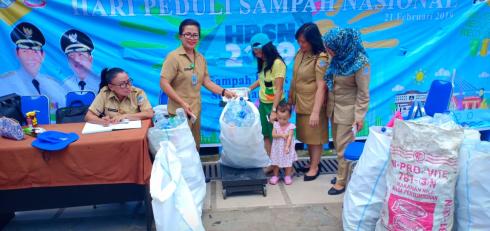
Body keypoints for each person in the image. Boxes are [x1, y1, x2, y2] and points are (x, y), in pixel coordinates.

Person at [160, 19, 236, 150]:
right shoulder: (173, 57)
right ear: (180, 36)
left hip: (195, 111)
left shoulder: (200, 58)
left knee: (195, 146)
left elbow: (206, 81)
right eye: (187, 34)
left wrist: (224, 92)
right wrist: (182, 103)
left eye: (195, 35)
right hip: (179, 113)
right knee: (180, 149)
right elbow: (163, 82)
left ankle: (194, 171)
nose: (191, 38)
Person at [323, 27, 370, 195]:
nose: (328, 51)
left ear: (341, 45)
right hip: (334, 108)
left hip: (348, 111)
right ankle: (341, 173)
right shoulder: (338, 59)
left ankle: (342, 182)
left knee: (343, 147)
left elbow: (363, 93)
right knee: (337, 144)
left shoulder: (361, 63)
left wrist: (359, 116)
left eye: (330, 47)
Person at [288, 23, 331, 181]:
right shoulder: (301, 53)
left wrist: (315, 111)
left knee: (315, 136)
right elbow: (295, 78)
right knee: (307, 135)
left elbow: (321, 86)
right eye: (299, 41)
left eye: (304, 42)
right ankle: (313, 162)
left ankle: (315, 166)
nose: (301, 44)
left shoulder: (321, 58)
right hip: (301, 101)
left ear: (313, 40)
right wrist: (291, 98)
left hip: (314, 103)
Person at [0, 22, 66, 107]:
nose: (30, 56)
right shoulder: (3, 83)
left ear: (42, 55)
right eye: (25, 51)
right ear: (17, 53)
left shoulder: (53, 85)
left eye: (35, 51)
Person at [248, 33, 286, 156]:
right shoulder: (264, 62)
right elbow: (262, 80)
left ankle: (287, 167)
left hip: (276, 105)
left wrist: (274, 111)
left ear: (268, 49)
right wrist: (248, 89)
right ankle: (272, 162)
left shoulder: (277, 63)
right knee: (266, 135)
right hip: (263, 105)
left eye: (260, 52)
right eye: (256, 53)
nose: (258, 55)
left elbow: (279, 90)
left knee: (279, 136)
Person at [85, 67, 154, 125]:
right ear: (111, 87)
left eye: (129, 81)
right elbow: (89, 116)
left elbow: (149, 113)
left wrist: (125, 116)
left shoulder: (137, 93)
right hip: (111, 132)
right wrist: (102, 121)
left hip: (134, 131)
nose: (128, 86)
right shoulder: (105, 93)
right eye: (122, 84)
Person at [60, 29, 100, 93]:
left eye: (81, 55)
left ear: (90, 59)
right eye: (72, 56)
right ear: (68, 62)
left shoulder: (102, 84)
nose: (76, 60)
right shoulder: (65, 87)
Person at [269, 102, 297, 185]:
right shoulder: (276, 125)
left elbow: (290, 137)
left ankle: (287, 176)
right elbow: (273, 135)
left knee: (288, 163)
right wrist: (281, 135)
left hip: (286, 148)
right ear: (277, 116)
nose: (281, 120)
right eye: (279, 118)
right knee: (276, 162)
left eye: (284, 119)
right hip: (277, 148)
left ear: (289, 117)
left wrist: (287, 147)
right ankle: (275, 176)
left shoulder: (291, 126)